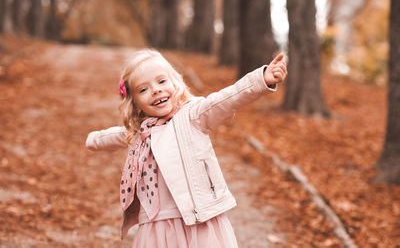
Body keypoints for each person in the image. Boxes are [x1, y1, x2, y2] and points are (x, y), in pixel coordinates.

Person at [86, 49, 287, 248]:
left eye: (161, 81)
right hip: (157, 227)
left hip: (198, 221)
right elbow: (116, 135)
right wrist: (92, 140)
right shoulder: (141, 132)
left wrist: (262, 80)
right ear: (135, 102)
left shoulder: (193, 115)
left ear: (175, 83)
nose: (155, 90)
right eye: (143, 89)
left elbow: (228, 98)